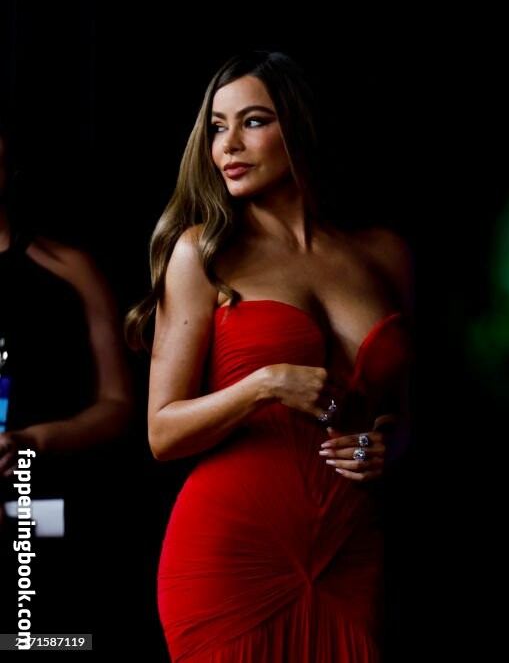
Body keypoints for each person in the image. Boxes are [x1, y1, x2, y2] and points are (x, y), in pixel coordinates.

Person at [125, 51, 412, 662]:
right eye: (217, 128)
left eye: (252, 121)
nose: (228, 145)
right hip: (233, 549)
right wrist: (264, 384)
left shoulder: (385, 254)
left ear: (300, 127)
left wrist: (384, 443)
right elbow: (161, 433)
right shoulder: (203, 253)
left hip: (349, 550)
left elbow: (407, 415)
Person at [0, 126, 134, 633]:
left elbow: (119, 404)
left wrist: (32, 441)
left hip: (47, 516)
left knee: (49, 640)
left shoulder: (70, 269)